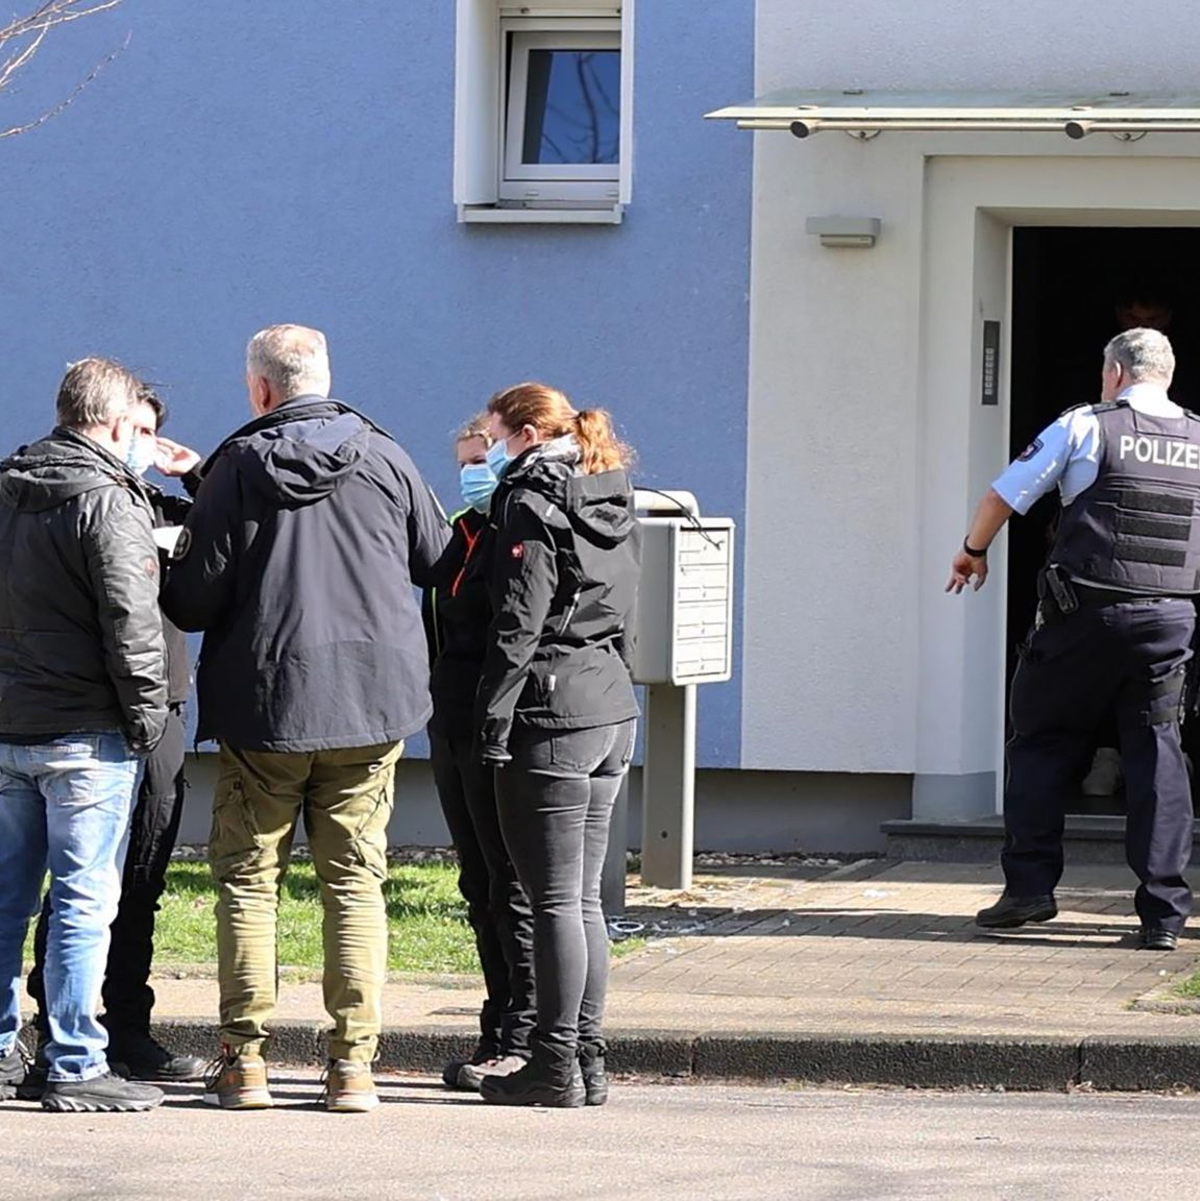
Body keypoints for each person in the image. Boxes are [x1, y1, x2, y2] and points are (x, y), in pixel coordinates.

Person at [160, 325, 448, 1112]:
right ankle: (352, 1065)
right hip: (371, 699)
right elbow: (436, 559)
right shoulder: (385, 454)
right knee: (354, 882)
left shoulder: (238, 465)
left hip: (268, 704)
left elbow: (191, 599)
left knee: (249, 882)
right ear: (323, 376)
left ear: (261, 389)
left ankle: (244, 1060)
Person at [948, 328, 1199, 952]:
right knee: (1158, 754)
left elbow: (1004, 494)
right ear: (1167, 375)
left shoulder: (1087, 424)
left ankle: (1029, 890)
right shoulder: (1197, 437)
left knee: (1041, 740)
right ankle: (1163, 916)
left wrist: (973, 550)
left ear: (1115, 373)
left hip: (1082, 617)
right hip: (1168, 621)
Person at [21, 386, 206, 1094]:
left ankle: (124, 1025)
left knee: (136, 879)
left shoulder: (157, 507)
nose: (145, 445)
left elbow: (231, 538)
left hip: (150, 710)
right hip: (93, 715)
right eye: (138, 430)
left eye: (155, 434)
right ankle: (61, 1039)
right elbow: (122, 618)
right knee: (73, 890)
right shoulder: (80, 502)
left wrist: (194, 474)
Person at [0, 358, 168, 1113]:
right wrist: (147, 717)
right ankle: (74, 1061)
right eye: (136, 424)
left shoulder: (8, 485)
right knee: (81, 902)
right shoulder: (108, 497)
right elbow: (132, 622)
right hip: (85, 732)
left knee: (6, 902)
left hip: (11, 724)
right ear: (115, 421)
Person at [474, 382, 640, 1108]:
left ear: (529, 434)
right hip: (609, 705)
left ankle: (552, 1065)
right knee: (582, 900)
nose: (488, 453)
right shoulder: (610, 490)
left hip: (550, 712)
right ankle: (587, 1060)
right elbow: (624, 606)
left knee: (553, 902)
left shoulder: (531, 499)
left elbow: (519, 620)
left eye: (493, 438)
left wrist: (491, 716)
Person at [425, 416, 536, 1091]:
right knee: (477, 882)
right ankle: (496, 1025)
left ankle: (523, 1034)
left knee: (509, 882)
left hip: (499, 726)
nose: (474, 474)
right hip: (451, 723)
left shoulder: (517, 533)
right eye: (465, 462)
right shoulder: (459, 534)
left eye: (483, 461)